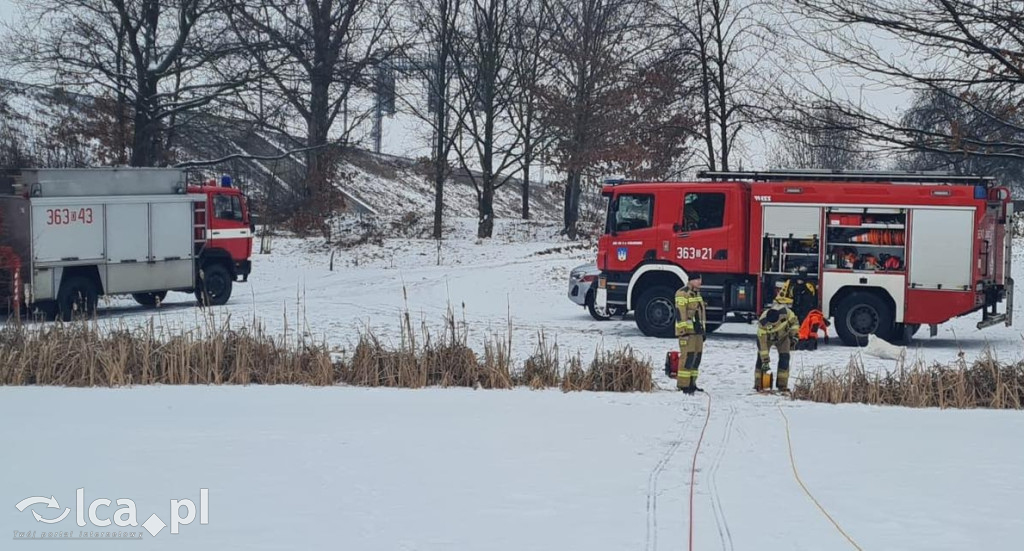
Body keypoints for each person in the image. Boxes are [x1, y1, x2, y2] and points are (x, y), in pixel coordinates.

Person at [754, 301, 800, 392]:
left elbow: (795, 324)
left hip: (783, 336)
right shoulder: (762, 324)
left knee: (785, 358)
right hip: (767, 338)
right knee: (760, 358)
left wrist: (793, 336)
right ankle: (758, 384)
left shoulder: (787, 313)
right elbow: (763, 346)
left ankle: (782, 385)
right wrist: (765, 361)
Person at [674, 273, 707, 394]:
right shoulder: (682, 293)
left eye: (700, 279)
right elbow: (680, 313)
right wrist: (683, 332)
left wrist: (703, 331)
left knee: (696, 358)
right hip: (687, 333)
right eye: (697, 279)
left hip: (697, 333)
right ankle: (683, 385)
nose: (700, 282)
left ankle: (692, 383)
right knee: (687, 358)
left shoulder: (697, 294)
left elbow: (700, 314)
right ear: (691, 280)